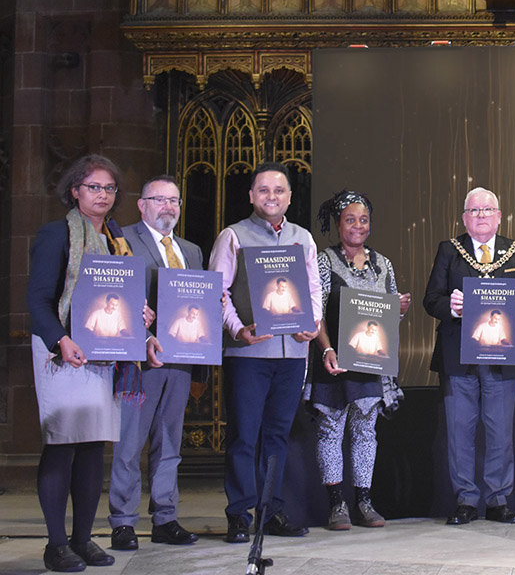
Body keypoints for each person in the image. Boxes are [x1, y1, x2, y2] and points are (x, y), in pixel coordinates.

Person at [27, 154, 153, 572]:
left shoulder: (119, 242)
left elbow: (123, 299)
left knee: (92, 448)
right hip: (63, 352)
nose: (102, 194)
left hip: (105, 355)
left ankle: (83, 539)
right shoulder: (56, 234)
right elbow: (38, 300)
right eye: (93, 187)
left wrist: (142, 316)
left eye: (109, 188)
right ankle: (56, 544)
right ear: (75, 190)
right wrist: (60, 339)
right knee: (63, 445)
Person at [210, 162, 321, 543]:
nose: (271, 197)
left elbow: (313, 289)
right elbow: (217, 291)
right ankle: (239, 514)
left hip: (292, 354)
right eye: (264, 190)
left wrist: (314, 324)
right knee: (244, 436)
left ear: (289, 196)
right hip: (248, 355)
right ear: (251, 195)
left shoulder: (302, 238)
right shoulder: (233, 236)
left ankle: (271, 510)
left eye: (279, 191)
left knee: (277, 436)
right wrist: (236, 329)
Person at [424, 186, 515, 525]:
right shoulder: (450, 250)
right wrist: (452, 306)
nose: (481, 216)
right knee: (459, 431)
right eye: (474, 211)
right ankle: (465, 500)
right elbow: (431, 299)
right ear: (464, 217)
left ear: (499, 216)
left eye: (487, 210)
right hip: (458, 357)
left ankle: (498, 500)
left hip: (502, 359)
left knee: (500, 432)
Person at [109, 175, 204, 551]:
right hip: (140, 360)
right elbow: (114, 294)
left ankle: (165, 518)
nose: (168, 207)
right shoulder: (123, 240)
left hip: (180, 360)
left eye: (174, 201)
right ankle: (123, 522)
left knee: (169, 443)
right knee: (129, 443)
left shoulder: (192, 251)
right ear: (141, 204)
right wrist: (143, 335)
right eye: (160, 199)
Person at [311, 189, 410, 531]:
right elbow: (316, 314)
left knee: (366, 431)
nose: (357, 226)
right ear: (338, 224)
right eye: (350, 219)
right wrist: (326, 349)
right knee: (331, 430)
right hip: (334, 361)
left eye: (363, 220)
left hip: (369, 362)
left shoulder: (384, 265)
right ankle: (337, 503)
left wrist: (399, 309)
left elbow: (385, 317)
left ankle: (364, 501)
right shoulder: (324, 261)